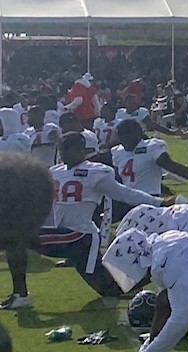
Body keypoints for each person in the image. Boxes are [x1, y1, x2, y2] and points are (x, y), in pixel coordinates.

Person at [2, 131, 166, 310]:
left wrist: (158, 202)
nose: (64, 154)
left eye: (68, 149)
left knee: (16, 239)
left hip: (80, 235)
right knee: (110, 289)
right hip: (64, 234)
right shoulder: (55, 172)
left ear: (82, 150)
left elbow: (124, 193)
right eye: (62, 149)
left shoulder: (95, 171)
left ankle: (21, 295)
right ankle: (156, 267)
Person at [110, 118, 188, 220]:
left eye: (126, 136)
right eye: (121, 136)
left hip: (150, 200)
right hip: (126, 201)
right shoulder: (117, 152)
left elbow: (175, 168)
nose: (124, 140)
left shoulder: (152, 147)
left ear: (138, 134)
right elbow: (117, 180)